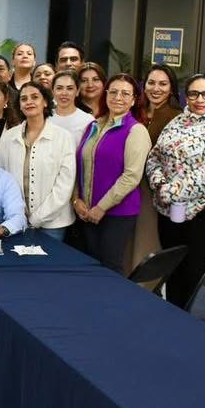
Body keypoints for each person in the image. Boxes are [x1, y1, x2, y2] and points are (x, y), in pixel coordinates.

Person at [146, 73, 205, 308]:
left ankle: (187, 324)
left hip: (204, 215)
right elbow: (154, 158)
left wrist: (173, 191)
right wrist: (159, 184)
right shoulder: (175, 123)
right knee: (172, 271)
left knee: (192, 275)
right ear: (186, 96)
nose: (200, 99)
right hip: (169, 212)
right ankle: (171, 318)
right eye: (194, 94)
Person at [72, 74, 151, 274]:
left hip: (116, 213)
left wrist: (101, 208)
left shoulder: (136, 131)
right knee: (89, 267)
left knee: (110, 268)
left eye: (125, 94)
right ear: (105, 95)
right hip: (86, 212)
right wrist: (76, 199)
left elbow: (131, 177)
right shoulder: (93, 126)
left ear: (134, 100)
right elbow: (79, 165)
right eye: (113, 92)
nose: (118, 97)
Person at [0, 83, 75, 241]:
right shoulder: (9, 137)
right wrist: (15, 213)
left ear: (45, 102)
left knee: (49, 258)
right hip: (15, 221)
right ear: (19, 106)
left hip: (53, 223)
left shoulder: (63, 137)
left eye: (35, 97)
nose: (29, 102)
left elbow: (65, 184)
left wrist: (37, 218)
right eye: (24, 99)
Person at [133, 63, 182, 270]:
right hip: (129, 186)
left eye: (163, 84)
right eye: (151, 83)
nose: (156, 88)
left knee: (147, 241)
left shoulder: (177, 117)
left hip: (154, 191)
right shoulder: (135, 111)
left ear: (171, 88)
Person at [48, 70, 94, 142]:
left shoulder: (88, 120)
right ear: (53, 91)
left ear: (77, 91)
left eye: (70, 88)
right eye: (59, 88)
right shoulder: (44, 117)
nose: (64, 93)